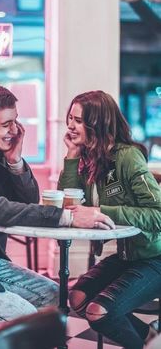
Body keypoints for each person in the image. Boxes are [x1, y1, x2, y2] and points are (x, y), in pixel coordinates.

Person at [0, 83, 114, 348]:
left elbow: (26, 202)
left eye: (15, 122)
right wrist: (68, 217)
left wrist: (15, 161)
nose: (14, 131)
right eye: (6, 124)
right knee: (26, 320)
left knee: (53, 297)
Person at [58, 90, 161, 349]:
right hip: (128, 255)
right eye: (70, 118)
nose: (70, 125)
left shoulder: (127, 156)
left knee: (98, 311)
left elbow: (158, 213)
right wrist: (71, 156)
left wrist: (103, 212)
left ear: (98, 124)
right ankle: (148, 337)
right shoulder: (88, 158)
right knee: (78, 298)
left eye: (78, 120)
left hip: (155, 257)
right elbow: (68, 203)